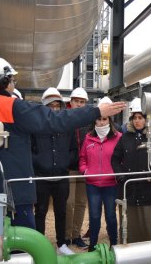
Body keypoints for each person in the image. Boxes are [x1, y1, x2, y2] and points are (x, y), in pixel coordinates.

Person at [0, 57, 125, 229]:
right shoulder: (12, 106)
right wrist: (95, 111)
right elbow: (55, 120)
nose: (14, 83)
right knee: (21, 247)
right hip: (13, 195)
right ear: (3, 80)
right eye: (12, 79)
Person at [32, 88, 75, 255]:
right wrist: (40, 163)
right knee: (40, 211)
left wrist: (65, 162)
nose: (55, 109)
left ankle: (61, 244)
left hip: (62, 176)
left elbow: (73, 150)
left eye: (57, 105)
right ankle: (39, 244)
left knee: (61, 211)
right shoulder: (36, 127)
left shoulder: (67, 127)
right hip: (41, 177)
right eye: (51, 106)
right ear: (44, 107)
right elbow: (30, 150)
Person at [79, 96, 122, 251]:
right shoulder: (88, 138)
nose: (101, 122)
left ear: (110, 120)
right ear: (94, 121)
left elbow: (122, 158)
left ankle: (114, 244)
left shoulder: (118, 138)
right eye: (98, 119)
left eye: (104, 119)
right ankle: (93, 245)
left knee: (110, 215)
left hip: (111, 184)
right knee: (94, 216)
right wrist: (85, 171)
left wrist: (117, 174)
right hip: (93, 184)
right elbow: (82, 158)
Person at [111, 98, 151, 243]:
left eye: (140, 118)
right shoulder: (125, 138)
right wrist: (121, 176)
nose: (137, 121)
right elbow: (115, 159)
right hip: (129, 190)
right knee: (128, 228)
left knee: (148, 227)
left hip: (148, 190)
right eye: (134, 118)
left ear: (146, 119)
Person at [65, 87, 89, 249]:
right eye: (77, 101)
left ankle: (76, 235)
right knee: (69, 202)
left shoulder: (88, 121)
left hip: (84, 167)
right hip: (68, 168)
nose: (79, 105)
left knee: (81, 202)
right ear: (71, 102)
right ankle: (66, 236)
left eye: (82, 102)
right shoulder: (63, 119)